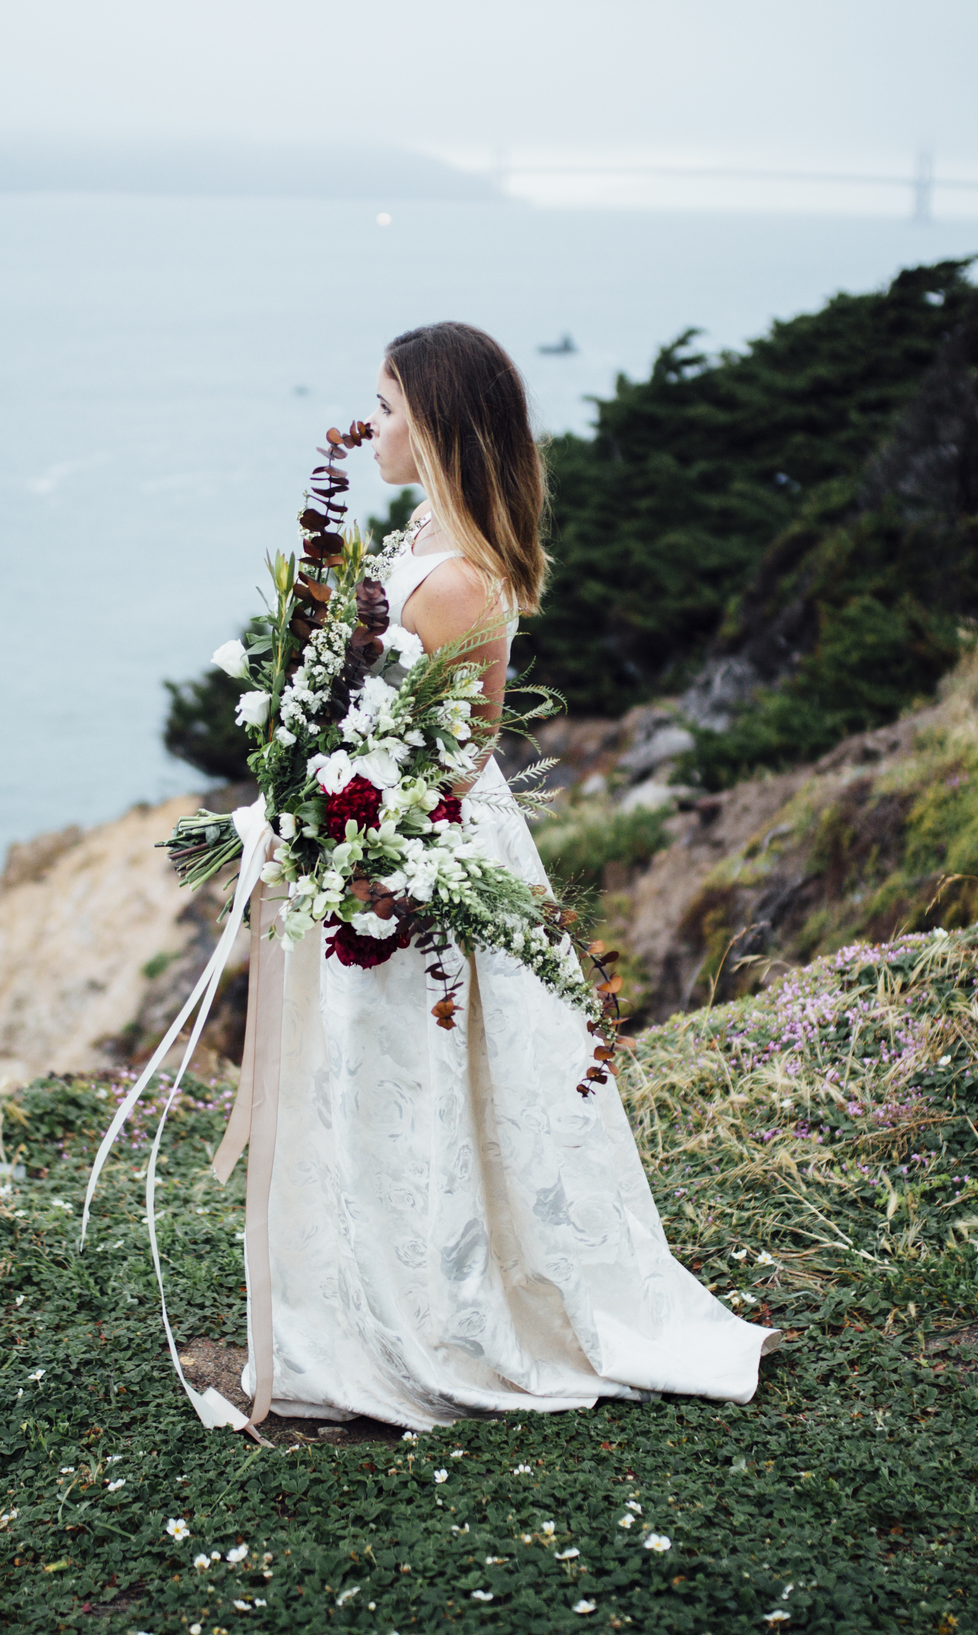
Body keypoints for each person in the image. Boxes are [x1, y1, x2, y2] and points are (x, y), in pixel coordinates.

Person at [229, 321, 776, 1431]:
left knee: (431, 1084)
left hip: (418, 848)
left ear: (430, 421)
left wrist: (340, 819)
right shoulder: (422, 534)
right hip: (386, 829)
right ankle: (377, 1292)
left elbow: (451, 756)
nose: (370, 424)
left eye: (385, 405)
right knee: (383, 1083)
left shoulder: (455, 582)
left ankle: (438, 1311)